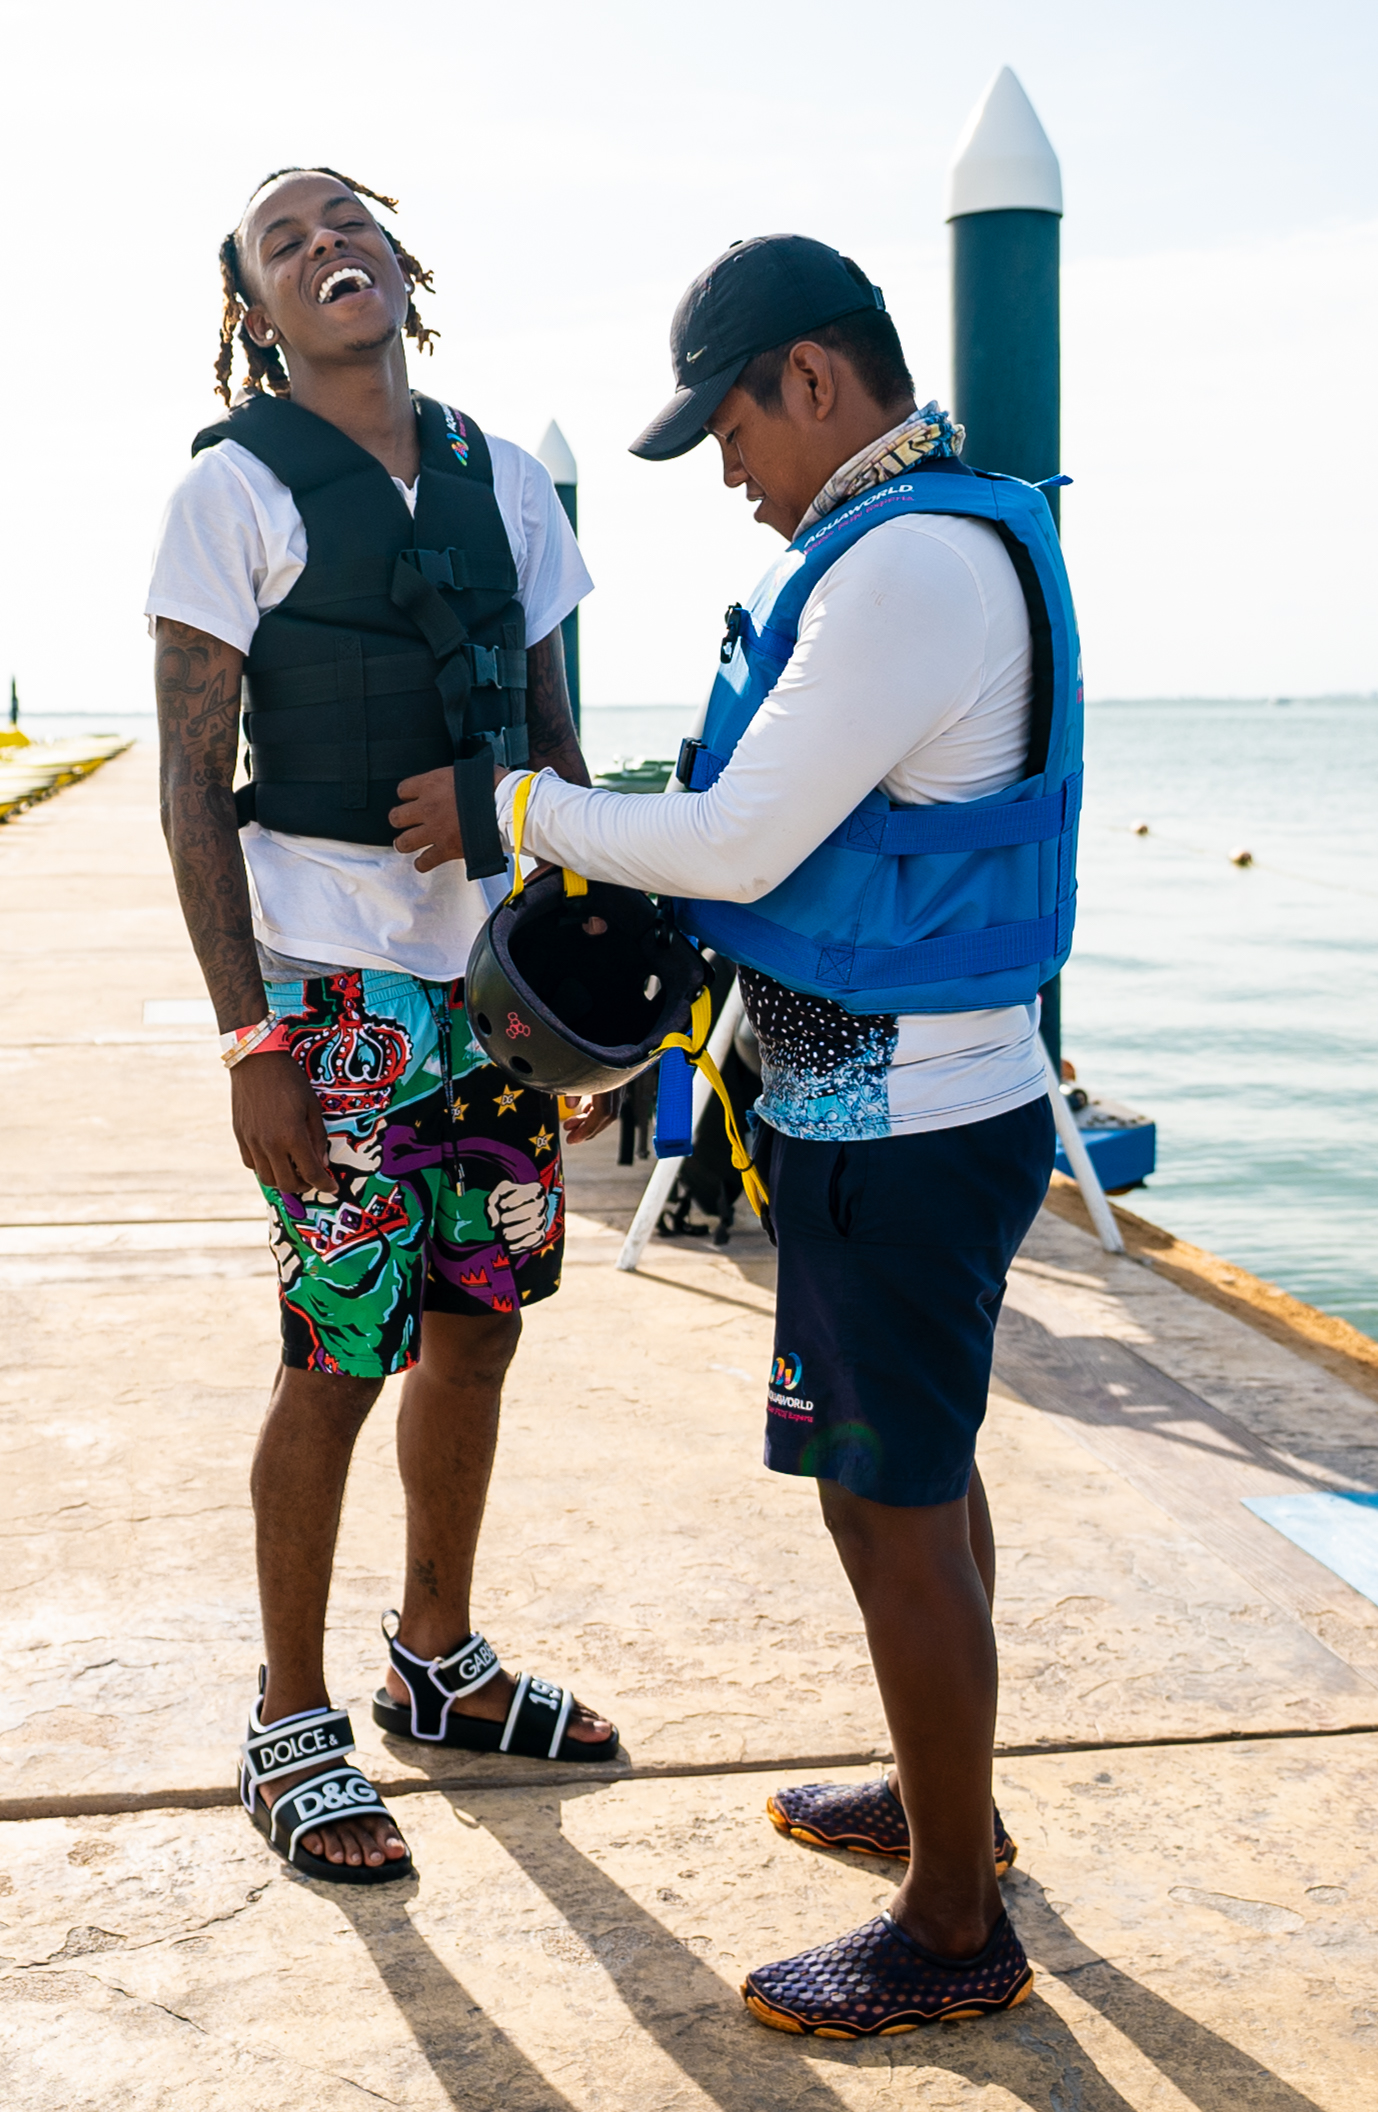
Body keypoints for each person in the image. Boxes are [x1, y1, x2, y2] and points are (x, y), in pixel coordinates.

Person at [390, 235, 1080, 2029]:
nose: (725, 470)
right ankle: (956, 1811)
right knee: (913, 1486)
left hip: (905, 1132)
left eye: (729, 425)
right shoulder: (918, 548)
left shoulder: (911, 568)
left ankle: (948, 1930)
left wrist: (509, 804)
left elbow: (739, 844)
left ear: (815, 382)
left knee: (886, 1509)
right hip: (906, 1110)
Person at [148, 167, 618, 1888]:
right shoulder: (231, 493)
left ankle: (440, 1661)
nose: (325, 245)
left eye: (348, 221)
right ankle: (290, 1718)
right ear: (254, 314)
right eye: (285, 242)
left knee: (481, 1325)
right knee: (334, 1349)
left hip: (489, 983)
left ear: (402, 263)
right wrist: (245, 1041)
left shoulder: (507, 480)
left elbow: (559, 756)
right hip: (325, 984)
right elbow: (192, 788)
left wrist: (575, 976)